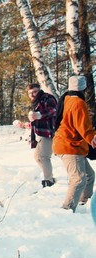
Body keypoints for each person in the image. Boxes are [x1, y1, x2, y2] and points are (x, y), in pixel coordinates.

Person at [53, 75, 96, 212]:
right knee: (79, 179)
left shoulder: (66, 98)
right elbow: (83, 125)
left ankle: (85, 203)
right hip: (69, 146)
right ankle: (66, 210)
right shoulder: (78, 102)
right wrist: (92, 138)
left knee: (89, 175)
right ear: (83, 89)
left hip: (72, 145)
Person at [13, 83, 57, 188]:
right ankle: (50, 177)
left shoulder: (47, 98)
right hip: (40, 134)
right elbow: (36, 121)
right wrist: (25, 125)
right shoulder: (35, 103)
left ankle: (48, 181)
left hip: (49, 132)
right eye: (30, 93)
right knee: (37, 157)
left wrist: (40, 114)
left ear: (39, 90)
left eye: (35, 92)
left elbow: (53, 110)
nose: (32, 95)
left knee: (43, 157)